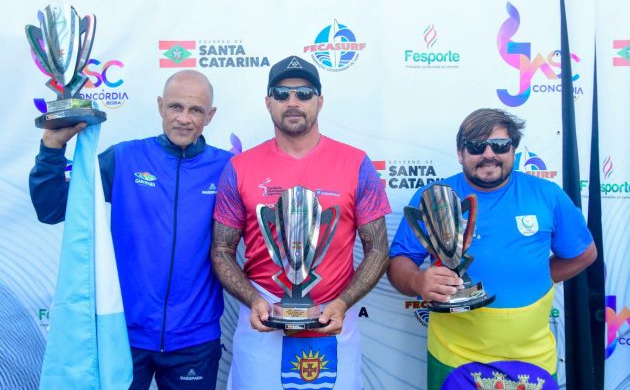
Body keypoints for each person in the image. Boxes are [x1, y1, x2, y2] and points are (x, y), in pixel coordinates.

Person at [29, 70, 231, 389]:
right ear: (160, 106)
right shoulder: (125, 158)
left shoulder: (226, 168)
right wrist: (52, 148)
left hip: (195, 341)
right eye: (176, 107)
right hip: (124, 335)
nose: (184, 118)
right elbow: (52, 208)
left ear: (211, 115)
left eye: (196, 110)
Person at [210, 55, 391, 389]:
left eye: (304, 93)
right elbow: (222, 249)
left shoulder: (356, 163)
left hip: (334, 323)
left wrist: (343, 302)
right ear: (268, 102)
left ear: (319, 101)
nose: (292, 102)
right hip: (263, 324)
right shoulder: (241, 167)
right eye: (281, 94)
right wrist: (253, 300)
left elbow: (378, 249)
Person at [388, 108, 597, 390]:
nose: (488, 154)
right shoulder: (434, 197)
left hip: (531, 358)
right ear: (461, 153)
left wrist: (538, 276)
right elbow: (400, 260)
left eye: (499, 145)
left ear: (513, 151)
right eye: (475, 146)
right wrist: (417, 280)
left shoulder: (547, 195)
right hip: (455, 358)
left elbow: (584, 254)